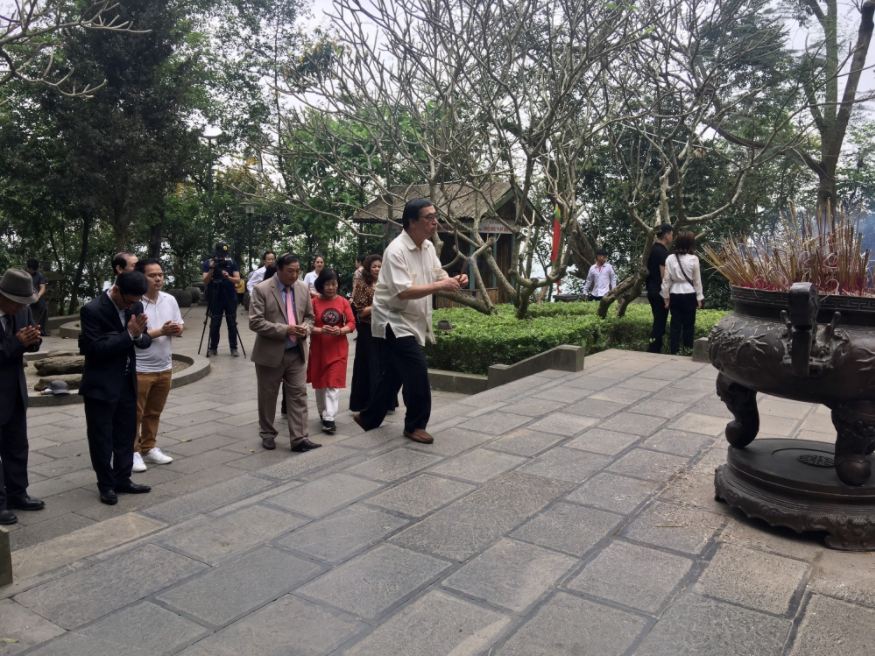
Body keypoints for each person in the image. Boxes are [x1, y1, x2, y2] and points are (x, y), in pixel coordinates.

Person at [353, 199, 468, 444]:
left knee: (393, 374)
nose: (435, 221)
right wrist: (440, 285)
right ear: (412, 221)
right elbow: (402, 292)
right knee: (416, 372)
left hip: (412, 319)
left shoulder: (427, 247)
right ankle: (414, 425)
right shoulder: (395, 251)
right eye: (429, 217)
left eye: (436, 216)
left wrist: (453, 280)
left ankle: (368, 417)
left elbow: (438, 275)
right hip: (393, 320)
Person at [79, 271, 153, 505]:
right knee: (101, 437)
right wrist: (128, 335)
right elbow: (94, 348)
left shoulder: (136, 306)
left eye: (136, 301)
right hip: (100, 385)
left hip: (126, 381)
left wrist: (138, 336)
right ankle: (106, 484)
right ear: (117, 290)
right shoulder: (92, 310)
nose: (132, 305)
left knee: (126, 433)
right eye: (128, 301)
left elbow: (144, 340)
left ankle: (123, 478)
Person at [249, 253, 320, 452]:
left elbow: (309, 317)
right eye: (290, 271)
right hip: (270, 354)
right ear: (278, 269)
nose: (294, 275)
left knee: (299, 395)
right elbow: (255, 322)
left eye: (297, 271)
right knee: (268, 396)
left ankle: (299, 438)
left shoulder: (303, 288)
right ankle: (268, 433)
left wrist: (304, 328)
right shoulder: (262, 289)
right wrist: (285, 329)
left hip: (296, 352)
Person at [0, 269, 45, 525]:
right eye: (17, 303)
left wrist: (32, 341)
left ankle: (18, 493)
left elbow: (29, 343)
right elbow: (11, 346)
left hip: (14, 390)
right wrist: (17, 343)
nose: (22, 308)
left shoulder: (23, 309)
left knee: (17, 446)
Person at [132, 259, 183, 473]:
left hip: (165, 365)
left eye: (160, 274)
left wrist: (175, 329)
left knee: (154, 411)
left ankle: (148, 447)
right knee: (135, 412)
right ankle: (131, 451)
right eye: (152, 275)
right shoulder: (134, 303)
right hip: (141, 367)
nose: (158, 278)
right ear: (140, 278)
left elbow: (180, 325)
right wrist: (161, 331)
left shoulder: (169, 299)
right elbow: (133, 336)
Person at [308, 268, 356, 433]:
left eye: (334, 284)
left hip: (338, 349)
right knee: (320, 384)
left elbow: (351, 323)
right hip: (319, 348)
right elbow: (306, 325)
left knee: (333, 383)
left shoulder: (343, 302)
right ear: (320, 285)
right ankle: (323, 412)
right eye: (327, 284)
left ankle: (329, 418)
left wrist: (341, 331)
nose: (330, 287)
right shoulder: (313, 302)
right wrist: (321, 331)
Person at [350, 254, 397, 413]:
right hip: (368, 328)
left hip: (386, 327)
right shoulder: (363, 284)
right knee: (368, 364)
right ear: (368, 268)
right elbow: (361, 312)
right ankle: (367, 402)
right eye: (374, 266)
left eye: (380, 266)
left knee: (386, 364)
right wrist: (380, 303)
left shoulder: (387, 283)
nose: (377, 269)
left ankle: (386, 402)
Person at [661, 230, 704, 355]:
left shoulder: (670, 258)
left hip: (675, 293)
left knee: (675, 324)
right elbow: (697, 280)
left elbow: (666, 280)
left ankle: (674, 351)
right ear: (691, 243)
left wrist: (666, 296)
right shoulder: (693, 259)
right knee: (689, 324)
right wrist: (699, 297)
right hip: (689, 293)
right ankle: (688, 350)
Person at [202, 242, 241, 357]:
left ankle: (234, 348)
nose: (222, 258)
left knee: (232, 323)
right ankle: (213, 348)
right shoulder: (208, 263)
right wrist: (211, 270)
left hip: (230, 297)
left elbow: (238, 280)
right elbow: (205, 281)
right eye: (220, 256)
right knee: (215, 323)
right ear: (215, 254)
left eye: (223, 255)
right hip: (215, 297)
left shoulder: (232, 263)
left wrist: (228, 277)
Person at [647, 223, 674, 353]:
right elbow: (664, 276)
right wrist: (666, 294)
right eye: (672, 235)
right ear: (667, 236)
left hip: (651, 289)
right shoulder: (662, 252)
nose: (673, 238)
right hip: (659, 291)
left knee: (658, 320)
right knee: (659, 322)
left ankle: (654, 347)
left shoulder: (652, 249)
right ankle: (654, 349)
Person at [25, 259, 49, 336]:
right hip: (25, 296)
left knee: (43, 308)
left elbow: (42, 288)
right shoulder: (23, 274)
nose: (32, 271)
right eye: (30, 269)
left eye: (33, 270)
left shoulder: (39, 275)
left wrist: (37, 296)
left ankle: (41, 330)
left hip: (36, 296)